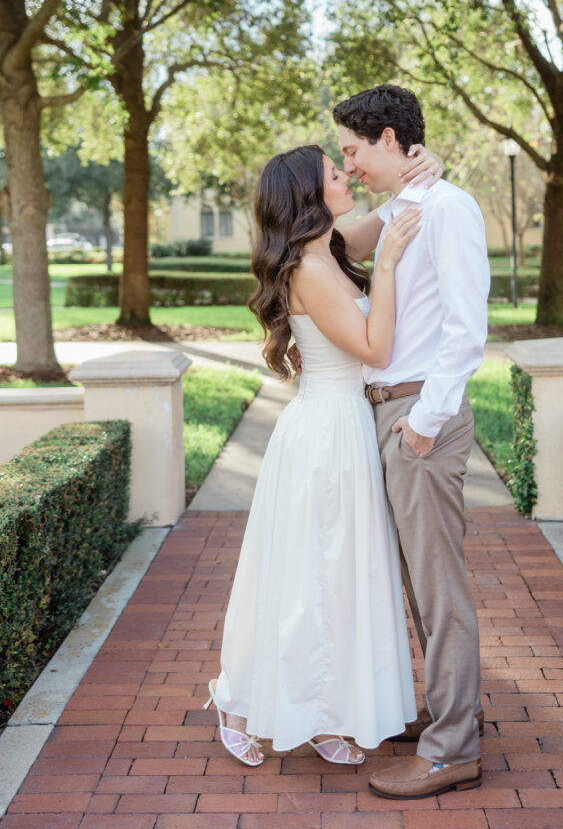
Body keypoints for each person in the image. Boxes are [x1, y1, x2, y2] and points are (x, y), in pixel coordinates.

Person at [205, 141, 443, 766]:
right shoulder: (310, 269)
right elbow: (376, 348)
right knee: (304, 580)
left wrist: (427, 174)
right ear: (311, 196)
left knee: (340, 578)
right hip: (324, 437)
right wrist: (387, 268)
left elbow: (393, 212)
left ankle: (324, 712)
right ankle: (238, 703)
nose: (348, 175)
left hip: (345, 431)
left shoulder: (330, 247)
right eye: (336, 172)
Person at [332, 84, 490, 800]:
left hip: (418, 414)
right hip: (388, 412)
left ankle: (453, 747)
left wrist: (425, 422)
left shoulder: (448, 208)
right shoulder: (404, 206)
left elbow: (465, 327)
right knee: (416, 587)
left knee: (437, 586)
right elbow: (336, 237)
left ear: (389, 140)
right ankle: (448, 714)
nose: (349, 163)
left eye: (353, 150)